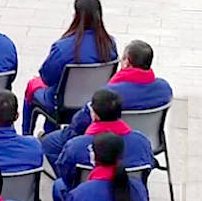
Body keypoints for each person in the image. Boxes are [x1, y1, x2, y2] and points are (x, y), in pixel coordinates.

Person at [40, 39, 173, 161]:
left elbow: (79, 124)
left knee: (48, 143)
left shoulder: (110, 94)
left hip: (108, 145)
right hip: (147, 143)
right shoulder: (165, 89)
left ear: (126, 62)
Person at [22, 0, 118, 133]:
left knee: (34, 85)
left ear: (76, 17)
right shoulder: (109, 45)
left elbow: (47, 78)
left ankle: (27, 135)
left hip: (62, 106)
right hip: (94, 103)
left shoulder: (63, 47)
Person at [51, 89, 154, 201]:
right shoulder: (142, 142)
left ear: (95, 116)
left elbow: (66, 175)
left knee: (59, 185)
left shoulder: (75, 145)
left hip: (87, 200)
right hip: (131, 198)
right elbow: (149, 168)